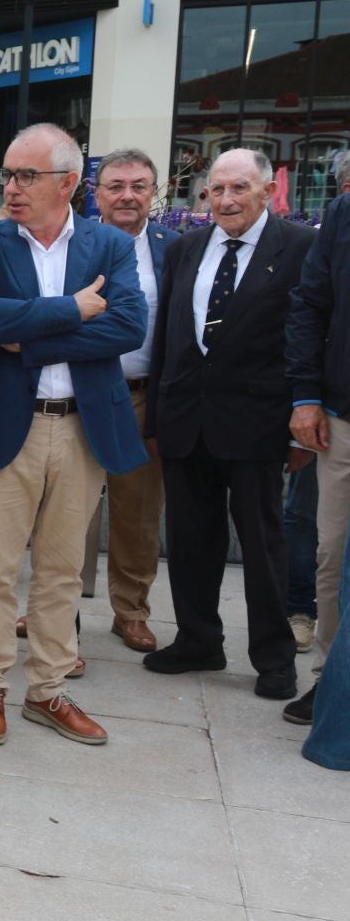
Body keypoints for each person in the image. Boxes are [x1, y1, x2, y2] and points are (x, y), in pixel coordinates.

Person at [0, 125, 146, 747]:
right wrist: (72, 309)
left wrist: (27, 337)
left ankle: (48, 690)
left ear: (68, 182)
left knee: (63, 571)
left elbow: (128, 327)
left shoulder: (108, 245)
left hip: (82, 427)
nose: (11, 187)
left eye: (26, 176)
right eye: (8, 174)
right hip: (6, 425)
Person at [146, 148, 314, 703]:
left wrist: (301, 420)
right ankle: (198, 640)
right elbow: (170, 335)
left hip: (258, 424)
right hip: (186, 421)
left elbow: (309, 334)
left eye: (239, 188)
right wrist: (158, 416)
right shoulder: (186, 247)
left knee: (263, 547)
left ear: (267, 191)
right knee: (190, 540)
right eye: (216, 189)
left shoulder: (299, 248)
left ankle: (274, 657)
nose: (226, 199)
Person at [84, 150, 178, 655]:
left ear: (153, 193)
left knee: (138, 513)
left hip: (141, 397)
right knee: (65, 510)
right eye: (116, 186)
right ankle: (57, 611)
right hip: (78, 393)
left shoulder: (175, 249)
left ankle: (131, 611)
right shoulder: (70, 243)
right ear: (96, 193)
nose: (127, 196)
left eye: (139, 186)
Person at [285, 153, 350, 725]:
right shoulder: (342, 215)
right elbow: (310, 305)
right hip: (342, 416)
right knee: (334, 551)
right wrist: (305, 396)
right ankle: (332, 681)